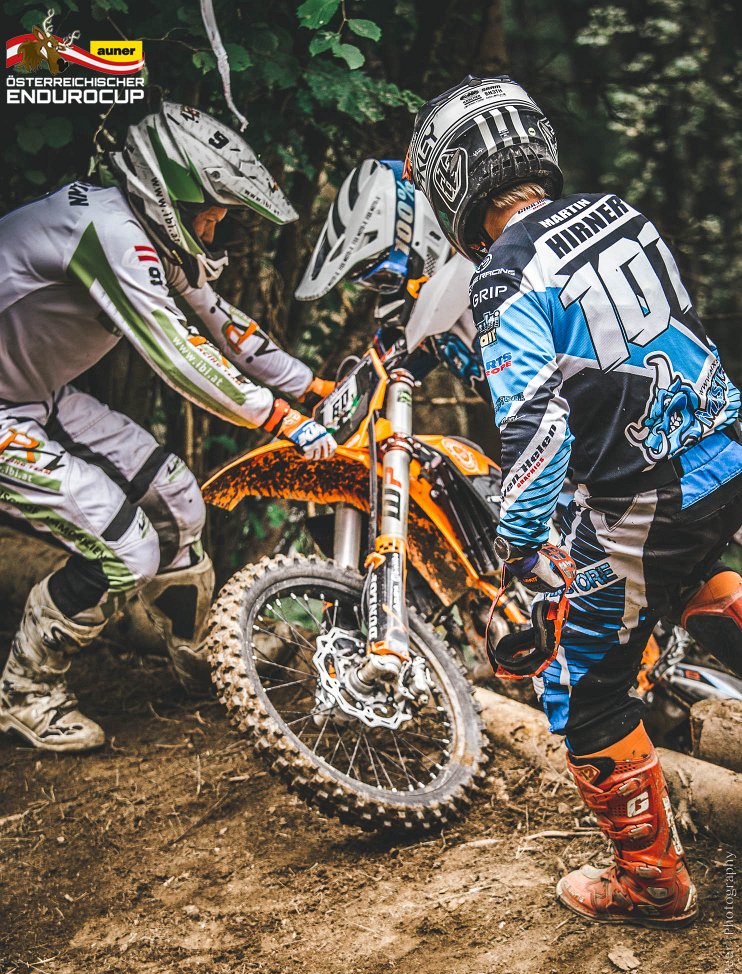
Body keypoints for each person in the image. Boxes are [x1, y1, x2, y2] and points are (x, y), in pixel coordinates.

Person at [405, 75, 742, 927]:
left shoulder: (503, 275)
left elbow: (536, 429)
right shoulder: (621, 213)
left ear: (453, 183)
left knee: (581, 691)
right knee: (694, 580)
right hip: (722, 451)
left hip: (646, 496)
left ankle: (652, 883)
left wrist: (518, 551)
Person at [0, 102, 336, 754]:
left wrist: (308, 386)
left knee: (178, 502)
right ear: (168, 191)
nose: (217, 224)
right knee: (124, 547)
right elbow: (179, 354)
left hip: (35, 392)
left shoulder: (148, 232)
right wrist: (283, 419)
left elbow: (223, 323)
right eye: (210, 210)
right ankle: (24, 693)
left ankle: (194, 653)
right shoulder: (108, 232)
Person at [295, 157, 487, 401]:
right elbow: (371, 380)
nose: (384, 290)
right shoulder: (428, 318)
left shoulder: (497, 270)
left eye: (384, 277)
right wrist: (323, 394)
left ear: (418, 241)